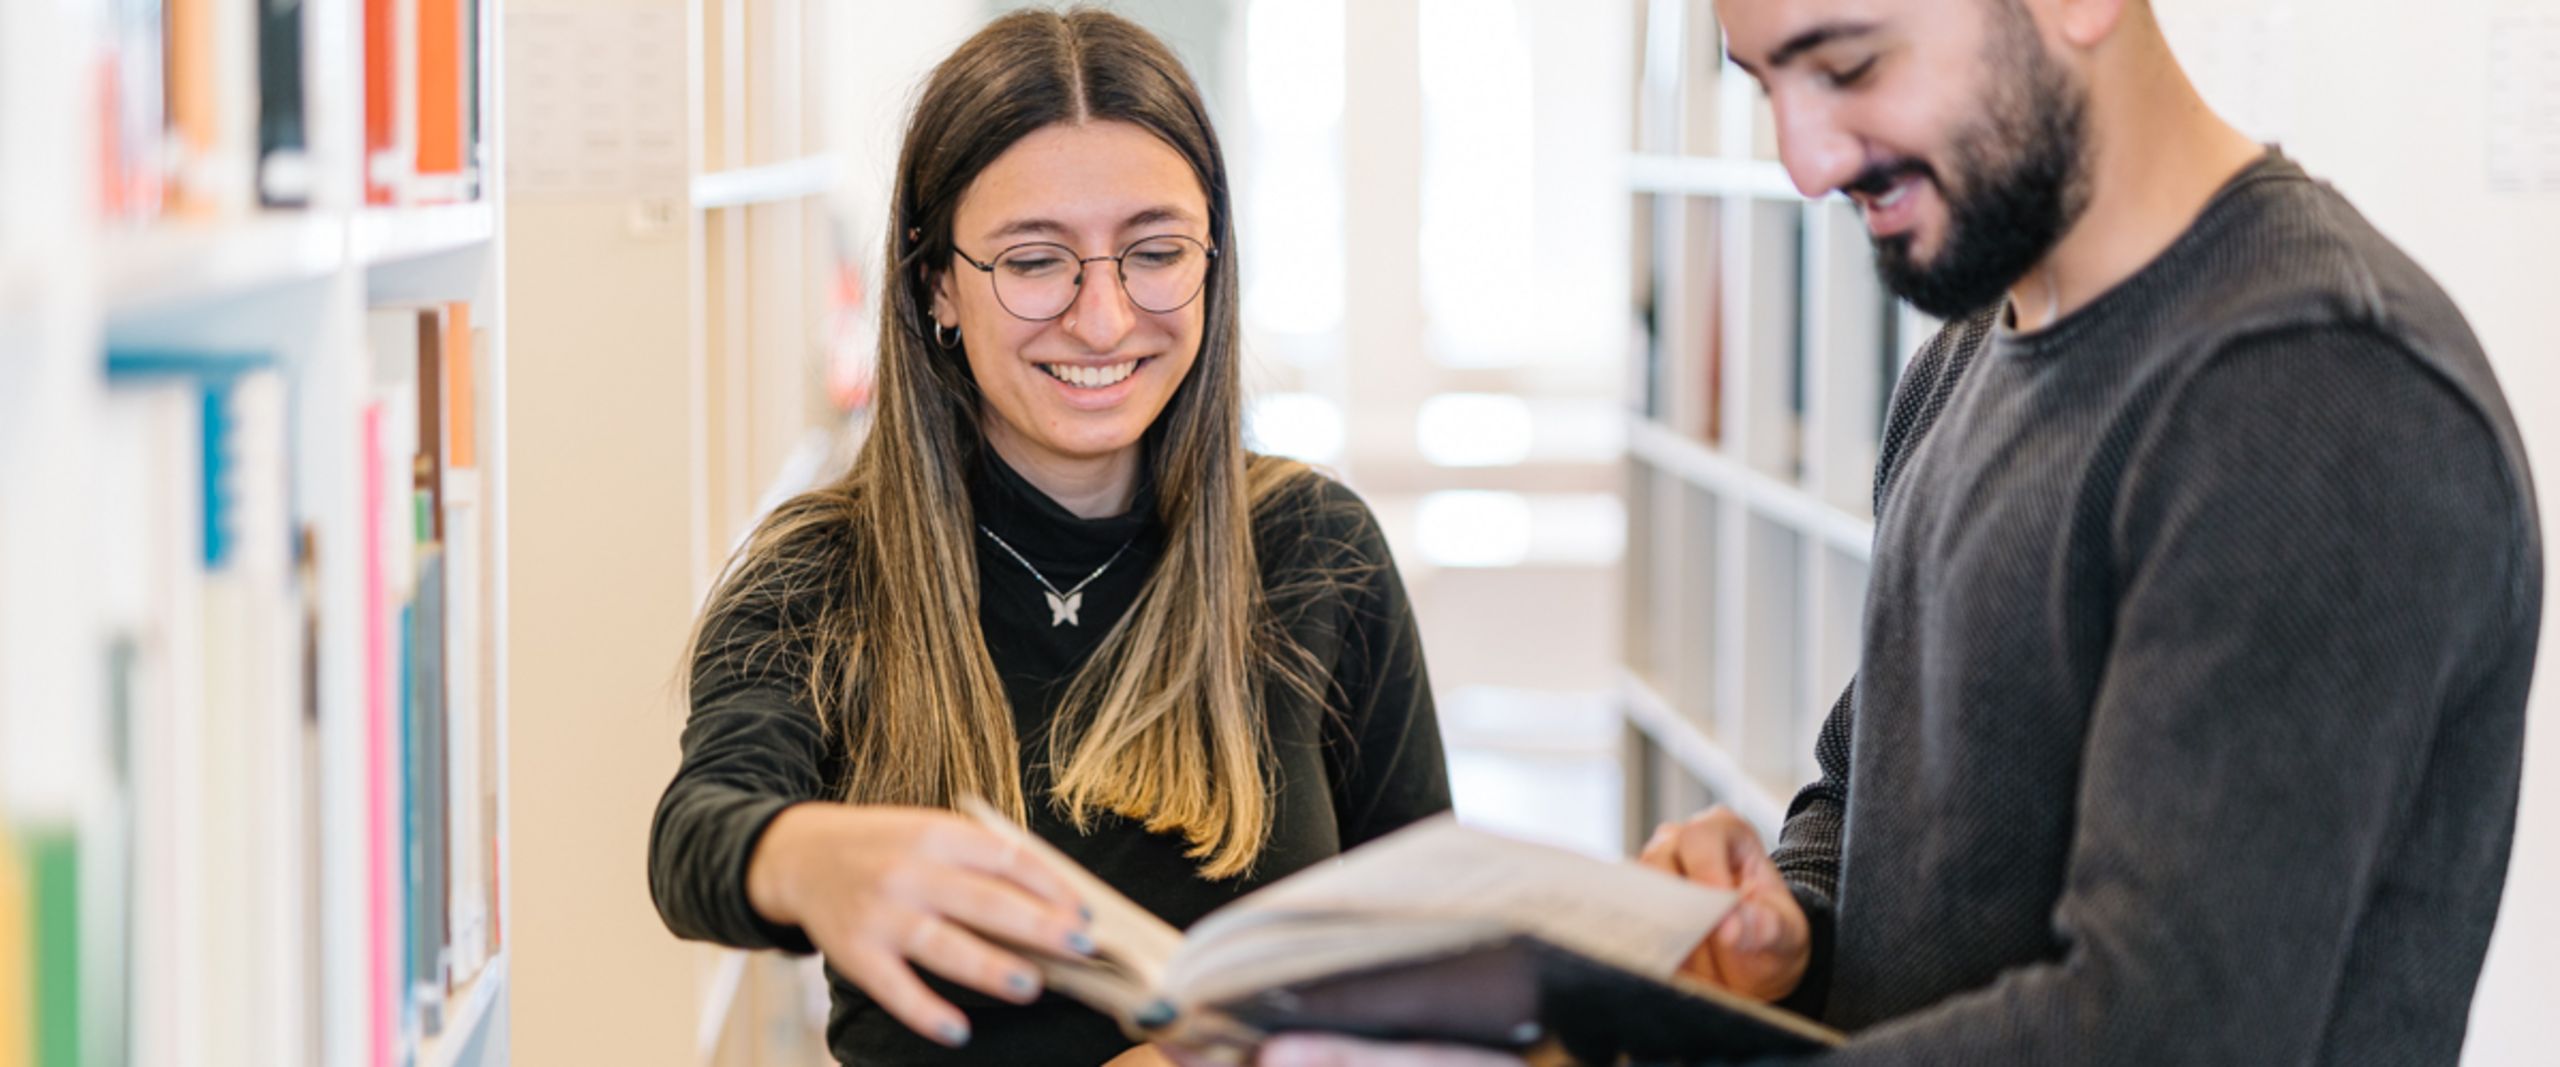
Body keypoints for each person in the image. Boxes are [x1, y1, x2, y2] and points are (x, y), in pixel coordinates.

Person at [1246, 0, 2542, 1064]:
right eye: (1767, 84)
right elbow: (1865, 791)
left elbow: (2162, 1029)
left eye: (1850, 66)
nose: (1805, 161)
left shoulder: (2310, 393)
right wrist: (1790, 928)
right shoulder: (1973, 350)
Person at [646, 9, 1452, 1066]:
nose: (1104, 319)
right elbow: (695, 833)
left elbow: (1435, 954)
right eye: (1035, 261)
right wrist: (797, 855)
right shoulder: (824, 570)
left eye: (1155, 253)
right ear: (937, 283)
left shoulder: (1314, 545)